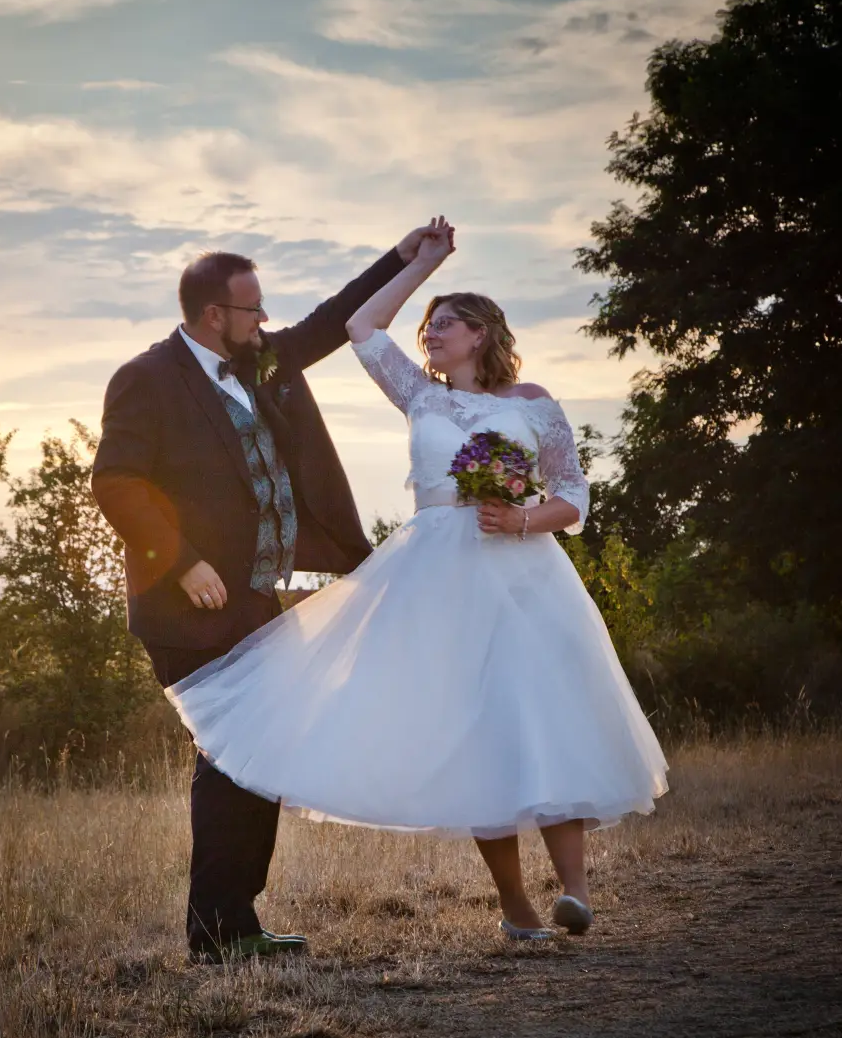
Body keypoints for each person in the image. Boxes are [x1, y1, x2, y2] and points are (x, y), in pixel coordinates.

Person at [166, 223, 668, 941]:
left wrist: (521, 519)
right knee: (481, 734)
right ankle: (515, 906)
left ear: (483, 334)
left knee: (547, 719)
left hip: (526, 576)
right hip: (439, 579)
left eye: (446, 323)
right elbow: (361, 325)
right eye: (428, 324)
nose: (430, 333)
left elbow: (575, 497)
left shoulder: (532, 403)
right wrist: (421, 265)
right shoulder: (419, 398)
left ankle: (577, 891)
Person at [92, 220, 446, 962]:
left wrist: (402, 256)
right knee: (230, 754)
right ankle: (218, 930)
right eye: (252, 309)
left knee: (259, 754)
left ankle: (233, 924)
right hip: (185, 603)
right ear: (213, 315)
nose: (264, 320)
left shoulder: (258, 360)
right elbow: (115, 482)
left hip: (254, 595)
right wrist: (182, 561)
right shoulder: (146, 379)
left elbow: (326, 322)